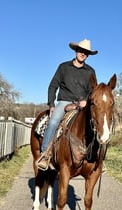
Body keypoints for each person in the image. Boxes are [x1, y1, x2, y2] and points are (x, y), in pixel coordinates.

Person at [37, 39, 98, 170]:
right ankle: (45, 154)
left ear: (88, 55)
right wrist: (51, 105)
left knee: (95, 124)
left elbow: (93, 90)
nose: (83, 54)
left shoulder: (90, 71)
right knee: (53, 122)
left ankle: (95, 156)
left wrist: (86, 101)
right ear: (76, 51)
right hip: (65, 101)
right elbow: (53, 86)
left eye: (86, 53)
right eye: (81, 51)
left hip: (83, 104)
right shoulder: (63, 67)